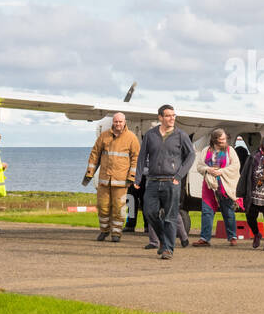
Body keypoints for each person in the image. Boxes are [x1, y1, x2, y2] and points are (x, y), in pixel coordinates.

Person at [133, 104, 195, 259]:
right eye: (168, 115)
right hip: (152, 181)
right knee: (149, 213)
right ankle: (163, 240)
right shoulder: (150, 135)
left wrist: (179, 176)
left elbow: (191, 155)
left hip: (171, 182)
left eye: (173, 115)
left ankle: (168, 249)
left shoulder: (181, 135)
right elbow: (142, 157)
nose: (172, 118)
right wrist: (138, 178)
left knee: (170, 217)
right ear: (160, 117)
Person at [83, 112, 140, 243]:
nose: (118, 124)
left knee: (119, 209)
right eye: (116, 122)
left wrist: (132, 176)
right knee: (102, 206)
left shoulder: (131, 138)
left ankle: (116, 233)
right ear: (113, 122)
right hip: (104, 179)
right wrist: (90, 172)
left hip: (121, 181)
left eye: (120, 122)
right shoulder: (104, 136)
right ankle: (104, 230)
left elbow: (136, 158)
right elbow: (95, 154)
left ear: (124, 122)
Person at [194, 128, 241, 246]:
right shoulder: (206, 150)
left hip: (225, 185)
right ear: (214, 140)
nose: (223, 142)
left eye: (224, 139)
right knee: (207, 211)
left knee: (228, 211)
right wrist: (207, 169)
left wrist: (222, 171)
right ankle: (204, 238)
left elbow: (236, 166)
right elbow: (199, 166)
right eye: (221, 140)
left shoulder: (230, 151)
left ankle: (232, 237)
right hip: (209, 185)